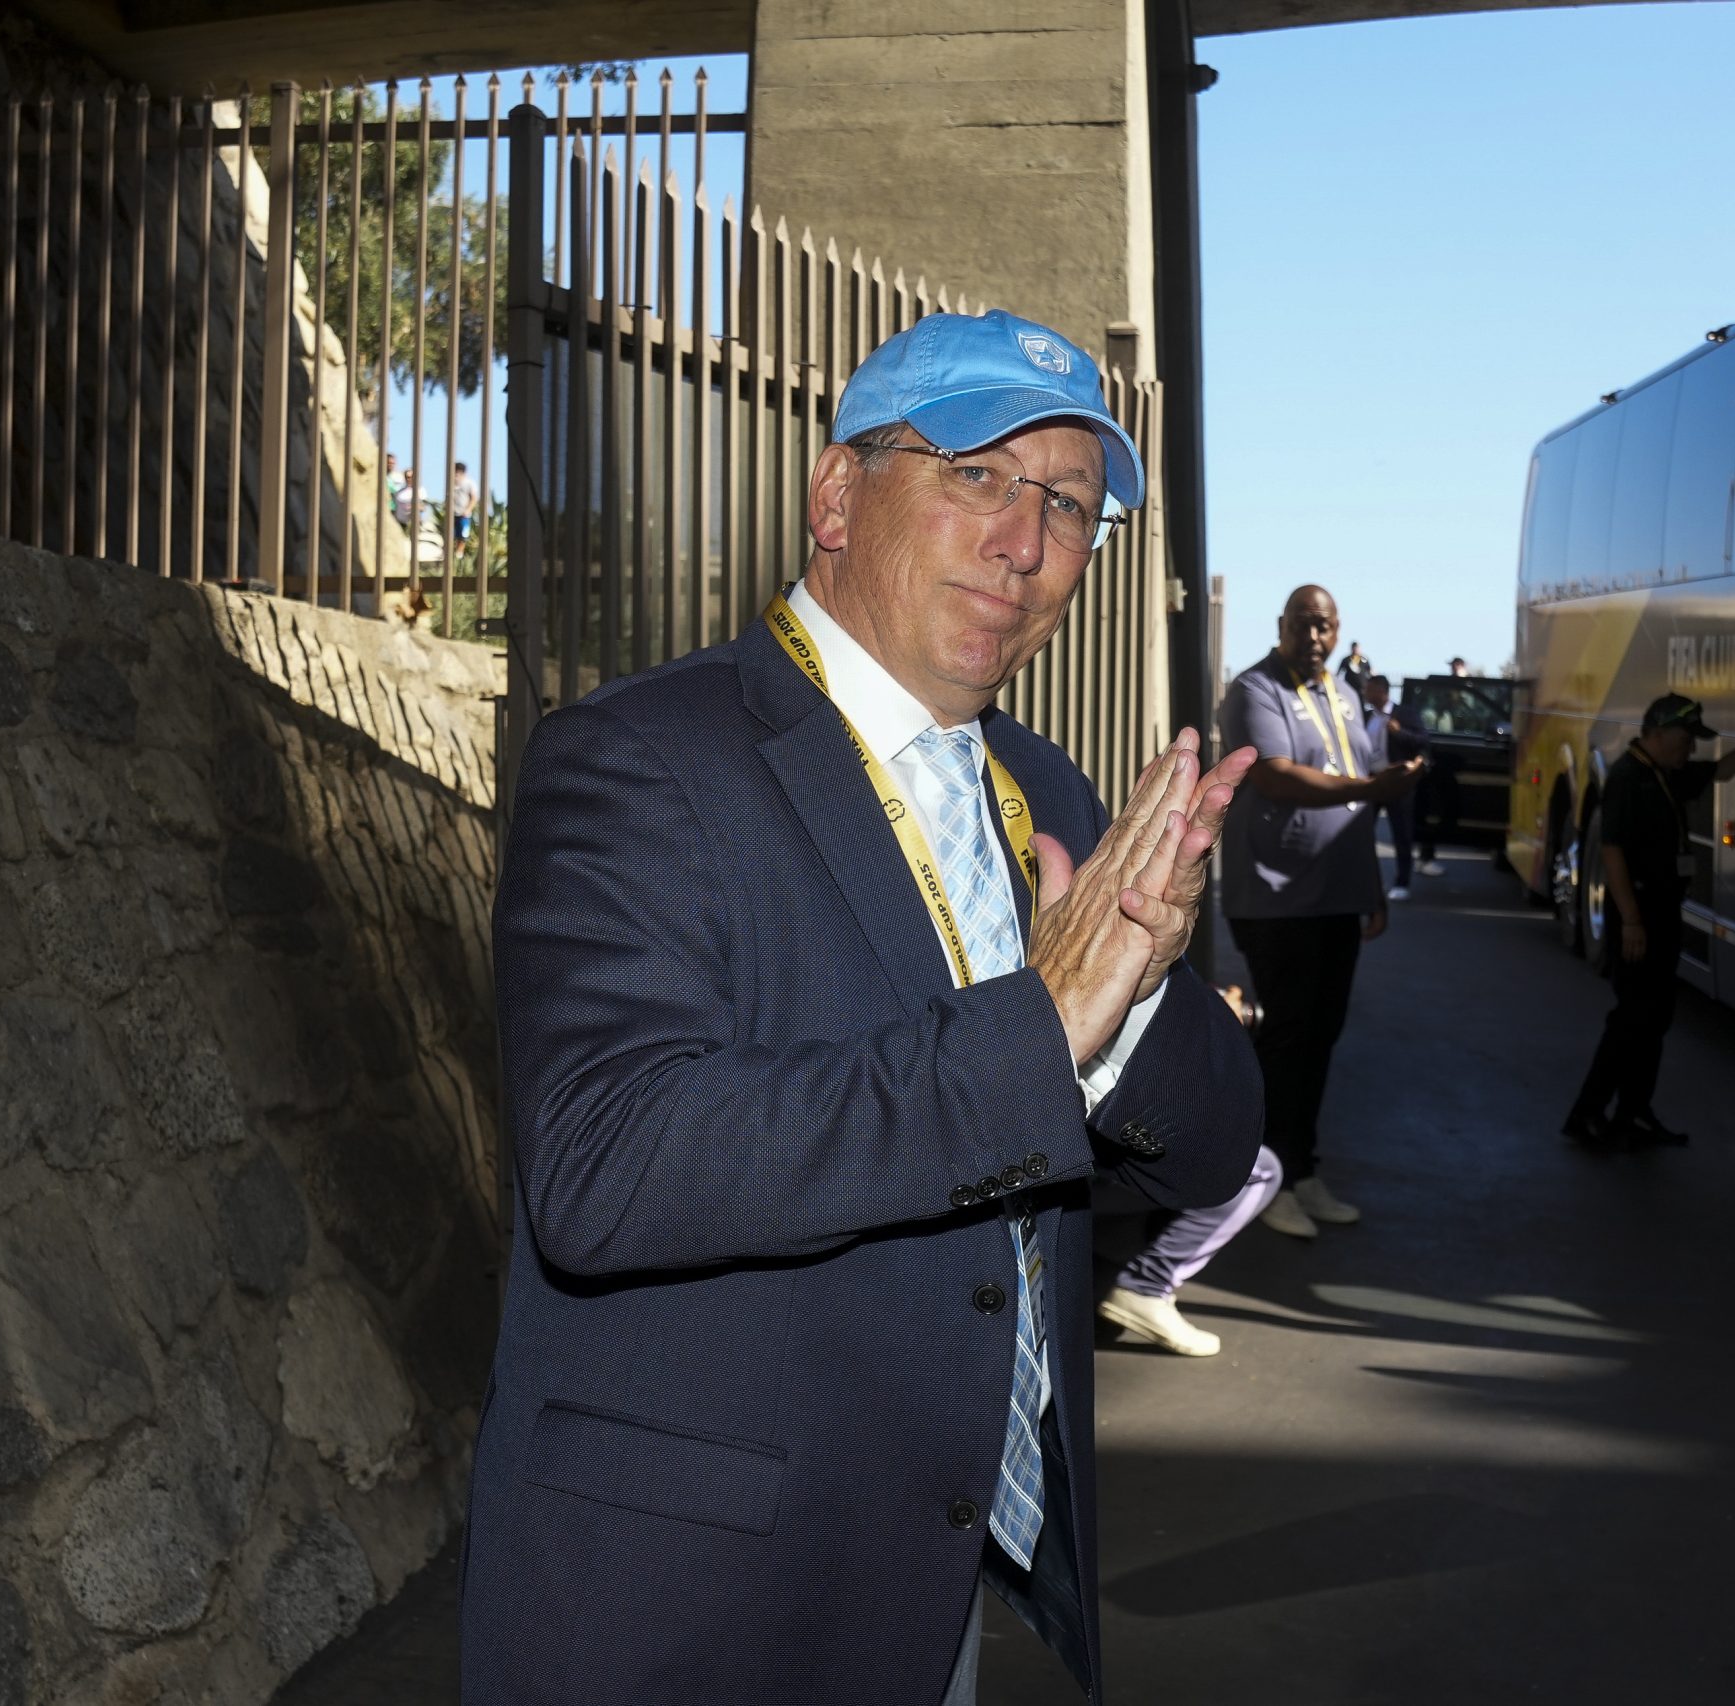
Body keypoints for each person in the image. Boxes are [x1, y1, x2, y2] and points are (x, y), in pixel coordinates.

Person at [469, 307, 1266, 1706]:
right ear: (837, 495)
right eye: (975, 473)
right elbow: (606, 1167)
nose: (1025, 540)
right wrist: (1044, 1026)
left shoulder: (1057, 796)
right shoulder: (638, 758)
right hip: (692, 1609)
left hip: (927, 1581)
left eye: (1070, 503)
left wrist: (1126, 1008)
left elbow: (1213, 1148)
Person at [1217, 585, 1421, 1238]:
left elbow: (1360, 807)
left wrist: (1374, 889)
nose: (1314, 636)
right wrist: (1370, 787)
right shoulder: (1256, 689)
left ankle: (1300, 1169)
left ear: (1339, 632)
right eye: (1303, 624)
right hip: (1278, 901)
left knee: (1321, 1039)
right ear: (1281, 625)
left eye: (1325, 626)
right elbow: (1274, 776)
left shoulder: (1344, 694)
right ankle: (1264, 1179)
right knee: (1286, 1038)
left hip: (1338, 898)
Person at [1563, 692, 1735, 1145]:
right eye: (1686, 738)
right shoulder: (1628, 779)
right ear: (1657, 733)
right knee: (1631, 1018)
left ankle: (1633, 1112)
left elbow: (1726, 768)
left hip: (1662, 912)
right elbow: (1611, 850)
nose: (1691, 748)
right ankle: (1586, 1114)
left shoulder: (1666, 775)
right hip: (1638, 915)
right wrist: (1631, 921)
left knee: (1654, 1017)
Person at [1097, 985, 1283, 1357]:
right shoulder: (1124, 948)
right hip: (1081, 1156)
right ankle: (1144, 1284)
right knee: (1258, 1170)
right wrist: (1213, 1021)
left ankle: (1104, 1265)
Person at [1360, 673, 1416, 900]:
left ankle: (1402, 882)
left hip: (1396, 783)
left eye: (1369, 689)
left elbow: (1422, 740)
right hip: (1371, 782)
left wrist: (1399, 732)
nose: (1365, 693)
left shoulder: (1404, 713)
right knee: (1361, 835)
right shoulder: (1365, 717)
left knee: (1401, 833)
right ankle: (1366, 882)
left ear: (1382, 691)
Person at [453, 460, 479, 547]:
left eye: (458, 472)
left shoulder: (469, 483)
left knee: (463, 536)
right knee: (453, 535)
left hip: (464, 514)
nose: (456, 475)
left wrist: (468, 509)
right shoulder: (452, 483)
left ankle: (459, 554)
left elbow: (474, 498)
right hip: (453, 514)